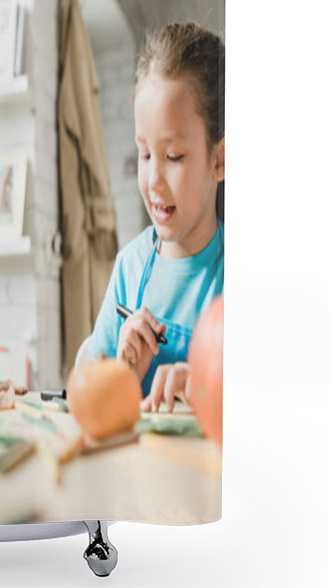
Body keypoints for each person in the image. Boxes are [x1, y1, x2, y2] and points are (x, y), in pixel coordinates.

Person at [76, 22, 224, 412]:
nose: (153, 180)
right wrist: (122, 372)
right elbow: (85, 401)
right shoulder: (129, 269)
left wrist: (207, 390)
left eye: (173, 156)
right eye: (144, 154)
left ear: (219, 158)